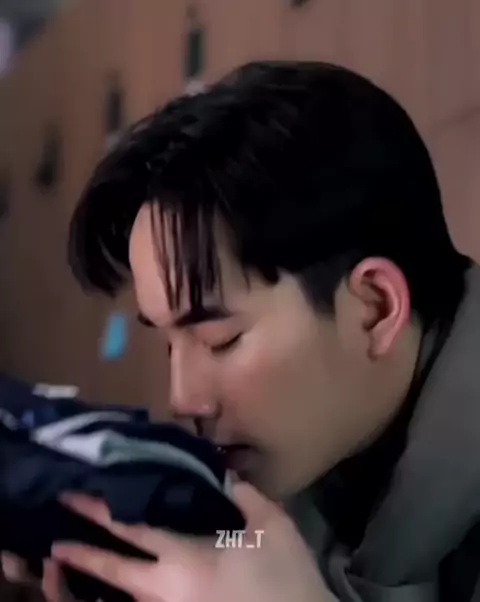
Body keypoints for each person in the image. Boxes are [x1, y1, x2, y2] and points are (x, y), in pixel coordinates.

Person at [3, 60, 479, 601]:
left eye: (219, 340)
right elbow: (243, 548)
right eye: (168, 345)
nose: (184, 399)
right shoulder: (288, 493)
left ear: (375, 308)